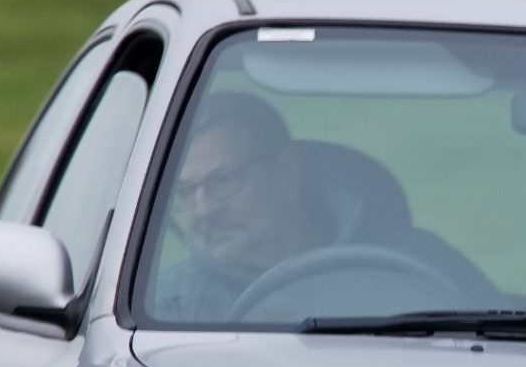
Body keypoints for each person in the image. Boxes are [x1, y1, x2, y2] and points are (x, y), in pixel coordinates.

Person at [154, 91, 487, 320]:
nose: (203, 210)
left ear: (285, 173)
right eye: (184, 192)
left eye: (222, 180)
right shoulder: (173, 304)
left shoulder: (420, 264)